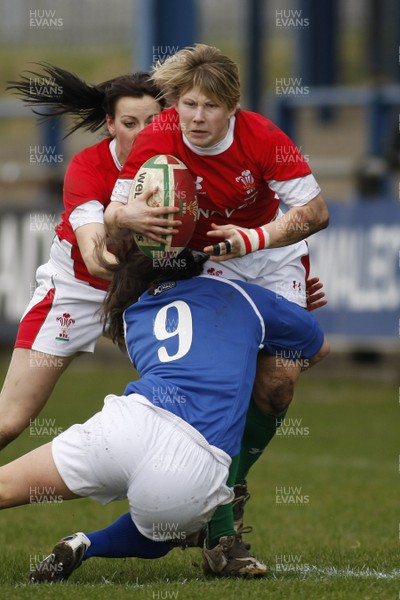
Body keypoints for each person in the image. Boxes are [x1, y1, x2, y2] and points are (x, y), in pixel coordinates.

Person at [103, 44, 329, 563]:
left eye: (210, 106)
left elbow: (316, 212)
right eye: (187, 104)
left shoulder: (265, 138)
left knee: (277, 387)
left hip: (269, 253)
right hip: (206, 263)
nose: (197, 117)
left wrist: (253, 238)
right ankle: (222, 529)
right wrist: (132, 217)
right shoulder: (157, 137)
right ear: (174, 104)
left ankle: (224, 490)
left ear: (233, 107)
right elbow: (116, 213)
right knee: (226, 390)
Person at [0, 244, 329, 583]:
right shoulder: (238, 293)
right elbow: (317, 348)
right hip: (191, 456)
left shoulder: (132, 315)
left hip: (123, 425)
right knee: (166, 534)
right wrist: (285, 319)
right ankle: (88, 543)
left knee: (6, 485)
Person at [0, 65, 166, 449]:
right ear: (110, 124)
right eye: (129, 122)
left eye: (153, 122)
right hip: (78, 289)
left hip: (154, 291)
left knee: (204, 395)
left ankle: (223, 490)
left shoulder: (180, 167)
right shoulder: (88, 167)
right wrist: (124, 225)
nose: (143, 133)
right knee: (9, 420)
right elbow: (94, 258)